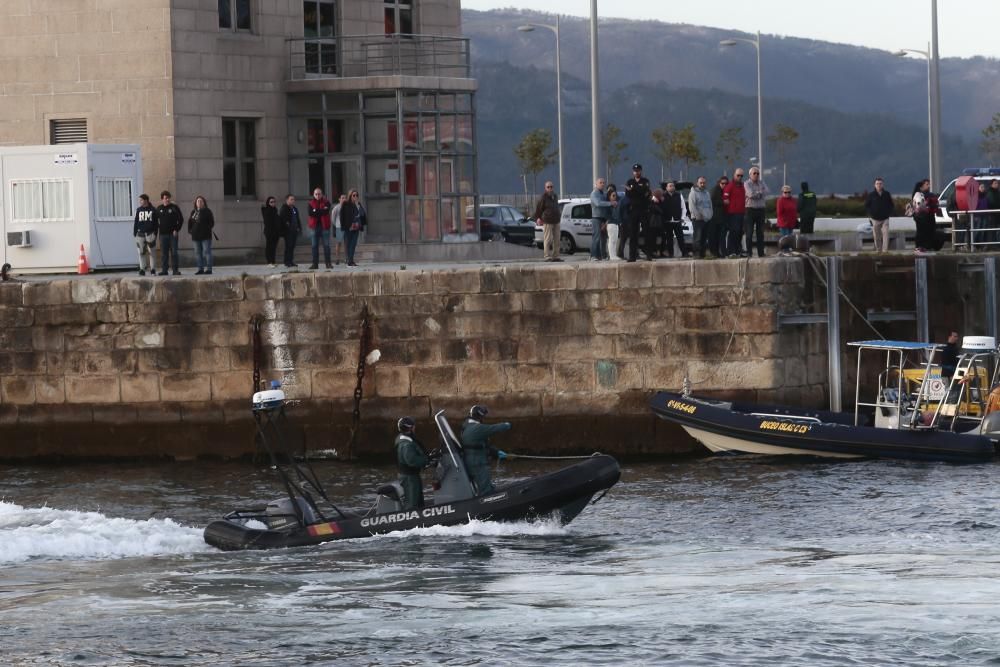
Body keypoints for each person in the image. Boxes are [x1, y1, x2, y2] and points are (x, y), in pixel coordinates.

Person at [460, 405, 510, 495]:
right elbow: (493, 428)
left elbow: (479, 445)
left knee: (485, 485)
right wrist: (507, 425)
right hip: (477, 463)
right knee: (485, 490)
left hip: (473, 460)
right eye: (483, 416)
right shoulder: (476, 428)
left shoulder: (467, 426)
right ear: (479, 416)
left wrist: (496, 452)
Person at [395, 416, 432, 510]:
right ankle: (412, 520)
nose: (415, 428)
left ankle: (422, 515)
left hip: (411, 476)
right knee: (412, 503)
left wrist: (428, 457)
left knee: (418, 500)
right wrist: (427, 459)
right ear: (410, 427)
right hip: (409, 478)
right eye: (414, 426)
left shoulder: (403, 439)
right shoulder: (406, 444)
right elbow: (412, 461)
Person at [624, 163, 652, 262]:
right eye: (635, 171)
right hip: (633, 210)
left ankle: (649, 255)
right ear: (633, 172)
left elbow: (645, 191)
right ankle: (632, 256)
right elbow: (628, 195)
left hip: (643, 210)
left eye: (638, 171)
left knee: (647, 233)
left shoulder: (645, 181)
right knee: (633, 234)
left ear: (641, 171)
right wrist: (637, 191)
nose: (637, 172)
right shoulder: (629, 181)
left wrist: (634, 189)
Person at [156, 190, 184, 276]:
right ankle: (164, 270)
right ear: (162, 199)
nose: (167, 200)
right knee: (164, 254)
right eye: (165, 198)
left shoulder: (174, 207)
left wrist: (177, 229)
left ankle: (175, 270)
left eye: (168, 198)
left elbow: (181, 219)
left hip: (173, 235)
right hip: (163, 235)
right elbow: (155, 220)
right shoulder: (159, 208)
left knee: (174, 252)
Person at [743, 166, 769, 258]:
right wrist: (759, 193)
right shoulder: (746, 184)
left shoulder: (762, 182)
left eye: (758, 173)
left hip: (761, 210)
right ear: (750, 174)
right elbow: (750, 194)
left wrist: (756, 193)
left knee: (760, 233)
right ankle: (749, 252)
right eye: (754, 173)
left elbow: (767, 191)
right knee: (749, 233)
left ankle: (761, 253)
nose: (756, 175)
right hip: (750, 209)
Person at [864, 177, 895, 253]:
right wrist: (871, 214)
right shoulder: (871, 195)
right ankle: (878, 250)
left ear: (883, 184)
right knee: (877, 236)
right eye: (877, 183)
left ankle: (885, 251)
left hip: (885, 219)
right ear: (874, 185)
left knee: (886, 235)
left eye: (880, 183)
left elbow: (891, 205)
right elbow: (866, 205)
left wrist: (888, 213)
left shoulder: (886, 194)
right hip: (875, 219)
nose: (879, 185)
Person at [533, 181, 562, 262]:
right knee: (548, 239)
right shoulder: (543, 197)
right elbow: (539, 208)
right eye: (548, 187)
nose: (550, 188)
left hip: (556, 220)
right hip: (547, 220)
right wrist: (538, 218)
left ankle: (556, 256)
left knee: (557, 239)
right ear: (545, 188)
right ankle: (547, 256)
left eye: (551, 187)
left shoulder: (555, 196)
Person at [187, 195, 215, 275]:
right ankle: (200, 269)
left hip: (206, 236)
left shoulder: (207, 211)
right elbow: (190, 222)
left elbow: (211, 223)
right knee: (198, 253)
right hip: (195, 237)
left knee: (207, 252)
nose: (199, 202)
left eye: (201, 201)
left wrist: (206, 228)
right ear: (195, 203)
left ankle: (209, 269)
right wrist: (190, 231)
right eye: (198, 201)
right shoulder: (193, 212)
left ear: (204, 203)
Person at [723, 169, 747, 257]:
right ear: (734, 175)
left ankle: (738, 251)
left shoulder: (743, 186)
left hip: (741, 213)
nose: (740, 177)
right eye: (738, 175)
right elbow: (725, 199)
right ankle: (731, 251)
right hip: (732, 214)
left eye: (741, 176)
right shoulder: (729, 186)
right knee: (733, 232)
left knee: (740, 232)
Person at [307, 187, 333, 270]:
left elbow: (326, 211)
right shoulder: (310, 203)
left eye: (319, 194)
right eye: (316, 194)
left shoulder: (327, 202)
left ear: (322, 194)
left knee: (326, 246)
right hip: (314, 227)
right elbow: (310, 213)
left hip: (324, 227)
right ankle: (315, 264)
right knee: (314, 246)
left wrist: (316, 211)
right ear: (314, 195)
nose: (317, 195)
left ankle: (328, 263)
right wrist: (321, 211)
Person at [688, 176, 713, 259]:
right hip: (697, 219)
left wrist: (710, 215)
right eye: (700, 183)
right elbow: (692, 206)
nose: (702, 184)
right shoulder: (693, 193)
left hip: (706, 219)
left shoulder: (707, 193)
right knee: (697, 237)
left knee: (704, 237)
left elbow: (710, 205)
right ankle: (696, 253)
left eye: (704, 183)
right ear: (697, 183)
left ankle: (703, 253)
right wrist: (698, 216)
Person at [661, 181, 689, 258]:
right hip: (667, 221)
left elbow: (683, 208)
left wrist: (683, 218)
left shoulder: (679, 195)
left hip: (677, 221)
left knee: (680, 238)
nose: (671, 187)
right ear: (666, 188)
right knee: (669, 239)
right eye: (670, 186)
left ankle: (684, 253)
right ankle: (670, 254)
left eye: (673, 186)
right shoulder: (663, 196)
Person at [133, 194, 158, 276]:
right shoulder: (138, 210)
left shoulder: (153, 210)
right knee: (141, 252)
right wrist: (135, 232)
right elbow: (136, 221)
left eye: (141, 200)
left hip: (150, 233)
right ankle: (142, 269)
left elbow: (156, 223)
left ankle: (153, 269)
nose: (140, 202)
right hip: (140, 234)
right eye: (139, 200)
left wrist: (155, 233)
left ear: (146, 200)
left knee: (152, 252)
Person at [340, 189, 366, 266]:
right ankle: (349, 260)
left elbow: (362, 214)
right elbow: (342, 216)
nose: (355, 197)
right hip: (348, 227)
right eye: (353, 195)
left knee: (353, 244)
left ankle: (351, 260)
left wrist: (358, 206)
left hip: (356, 227)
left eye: (357, 195)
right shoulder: (345, 204)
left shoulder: (358, 204)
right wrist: (343, 226)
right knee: (348, 244)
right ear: (350, 196)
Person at [911, 179, 937, 254]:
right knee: (921, 231)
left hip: (928, 215)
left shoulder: (929, 194)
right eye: (926, 184)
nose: (928, 186)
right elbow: (919, 205)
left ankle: (927, 246)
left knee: (930, 231)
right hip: (921, 216)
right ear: (921, 187)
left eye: (929, 184)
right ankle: (920, 246)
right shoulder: (919, 195)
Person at [589, 177, 611, 261]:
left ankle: (602, 255)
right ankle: (593, 256)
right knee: (596, 237)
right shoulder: (594, 193)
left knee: (603, 239)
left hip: (603, 218)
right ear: (596, 184)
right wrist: (610, 203)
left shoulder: (604, 194)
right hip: (596, 218)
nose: (602, 184)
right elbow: (598, 203)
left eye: (603, 182)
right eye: (600, 182)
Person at [278, 194, 301, 268]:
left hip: (294, 230)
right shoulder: (284, 208)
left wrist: (299, 227)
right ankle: (287, 261)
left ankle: (291, 261)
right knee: (288, 246)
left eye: (293, 199)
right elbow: (283, 220)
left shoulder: (294, 208)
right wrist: (288, 226)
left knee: (292, 246)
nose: (293, 201)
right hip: (288, 231)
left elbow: (297, 219)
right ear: (287, 200)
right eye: (291, 199)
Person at [708, 176, 729, 259]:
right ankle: (714, 253)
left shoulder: (724, 190)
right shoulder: (715, 190)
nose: (724, 185)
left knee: (720, 236)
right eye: (722, 183)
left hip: (721, 218)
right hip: (714, 218)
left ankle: (719, 252)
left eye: (726, 183)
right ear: (719, 183)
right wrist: (723, 202)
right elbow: (711, 201)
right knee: (714, 236)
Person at [776, 185, 798, 252]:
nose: (787, 194)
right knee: (785, 239)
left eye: (789, 192)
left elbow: (795, 210)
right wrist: (785, 219)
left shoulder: (793, 200)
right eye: (785, 192)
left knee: (790, 238)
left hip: (791, 223)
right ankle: (784, 252)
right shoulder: (780, 200)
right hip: (783, 223)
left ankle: (788, 251)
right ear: (782, 192)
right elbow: (779, 212)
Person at [261, 196, 280, 267]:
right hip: (269, 232)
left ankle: (273, 261)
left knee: (274, 247)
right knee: (269, 247)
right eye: (271, 202)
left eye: (274, 202)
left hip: (275, 232)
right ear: (268, 203)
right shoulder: (267, 211)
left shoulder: (275, 210)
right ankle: (269, 262)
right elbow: (268, 222)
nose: (273, 203)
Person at [331, 193, 347, 265]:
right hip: (339, 227)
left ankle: (346, 258)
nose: (344, 199)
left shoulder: (348, 207)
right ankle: (337, 259)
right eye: (342, 198)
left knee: (346, 243)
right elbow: (333, 218)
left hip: (347, 227)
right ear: (339, 199)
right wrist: (336, 225)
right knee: (338, 243)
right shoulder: (336, 207)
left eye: (345, 198)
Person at [607, 190, 622, 261]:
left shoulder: (617, 204)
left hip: (616, 223)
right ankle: (611, 256)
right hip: (611, 223)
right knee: (612, 240)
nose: (614, 197)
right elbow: (610, 215)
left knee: (615, 240)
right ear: (609, 197)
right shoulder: (609, 205)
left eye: (615, 195)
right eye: (613, 195)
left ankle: (614, 255)